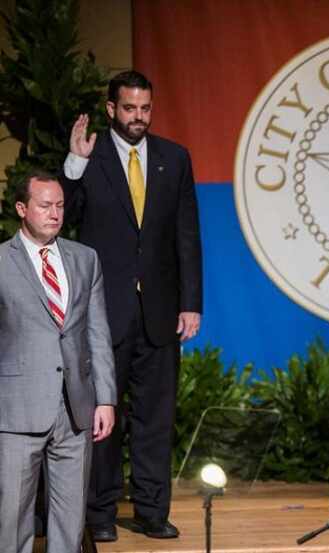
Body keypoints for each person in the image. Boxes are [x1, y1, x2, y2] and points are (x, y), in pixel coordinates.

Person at [60, 70, 203, 541]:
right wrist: (74, 165)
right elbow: (65, 218)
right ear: (111, 109)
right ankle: (99, 514)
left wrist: (191, 303)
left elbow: (187, 235)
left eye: (145, 109)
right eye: (129, 109)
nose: (138, 117)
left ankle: (151, 510)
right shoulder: (90, 155)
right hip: (103, 312)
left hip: (161, 312)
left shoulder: (174, 158)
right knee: (103, 415)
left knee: (156, 417)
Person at [0, 171, 116, 553]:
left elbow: (97, 332)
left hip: (76, 408)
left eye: (60, 205)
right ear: (22, 209)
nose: (55, 213)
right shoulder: (1, 261)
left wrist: (106, 399)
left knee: (69, 521)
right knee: (11, 520)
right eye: (45, 205)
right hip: (16, 410)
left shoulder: (85, 259)